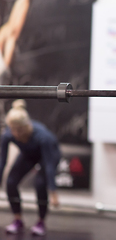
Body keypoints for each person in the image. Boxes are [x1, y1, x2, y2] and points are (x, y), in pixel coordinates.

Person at [0, 100, 61, 236]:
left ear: (26, 126)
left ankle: (41, 222)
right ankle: (18, 220)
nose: (16, 134)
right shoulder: (8, 134)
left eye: (19, 130)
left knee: (39, 184)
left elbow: (49, 166)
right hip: (29, 154)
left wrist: (53, 192)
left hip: (49, 155)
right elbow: (2, 161)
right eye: (13, 130)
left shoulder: (43, 137)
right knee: (10, 182)